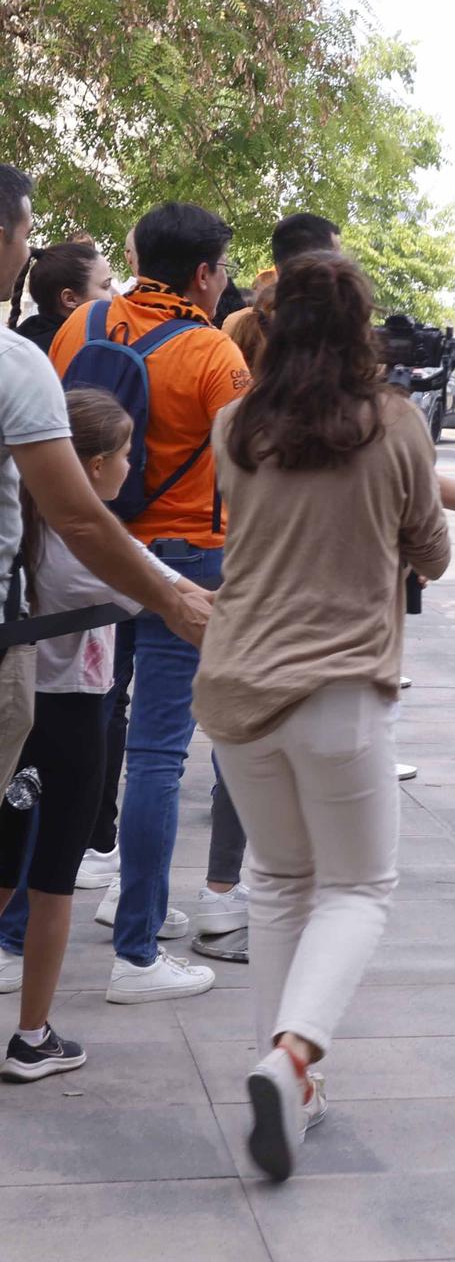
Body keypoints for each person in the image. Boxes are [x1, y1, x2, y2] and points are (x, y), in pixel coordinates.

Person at [190, 251, 447, 1180]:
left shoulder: (233, 425)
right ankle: (292, 1056)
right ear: (359, 330)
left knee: (278, 881)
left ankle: (292, 1092)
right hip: (338, 689)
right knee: (359, 888)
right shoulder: (398, 424)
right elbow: (433, 551)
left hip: (234, 687)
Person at [49, 200, 252, 1005]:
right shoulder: (213, 353)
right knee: (159, 757)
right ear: (204, 273)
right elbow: (249, 467)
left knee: (78, 736)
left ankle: (10, 937)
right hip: (186, 570)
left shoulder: (82, 325)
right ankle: (137, 949)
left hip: (90, 553)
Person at [0, 390, 194, 1081]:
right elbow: (153, 581)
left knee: (3, 867)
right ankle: (32, 1037)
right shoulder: (81, 541)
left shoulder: (23, 522)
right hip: (71, 715)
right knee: (54, 882)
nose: (133, 462)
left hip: (14, 710)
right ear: (91, 462)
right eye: (126, 451)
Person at [222, 212, 340, 371]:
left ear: (278, 268)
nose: (345, 267)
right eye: (338, 257)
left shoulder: (240, 328)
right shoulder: (339, 337)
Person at [9, 242, 115, 353]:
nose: (116, 295)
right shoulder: (80, 352)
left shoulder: (23, 340)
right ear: (70, 299)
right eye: (106, 286)